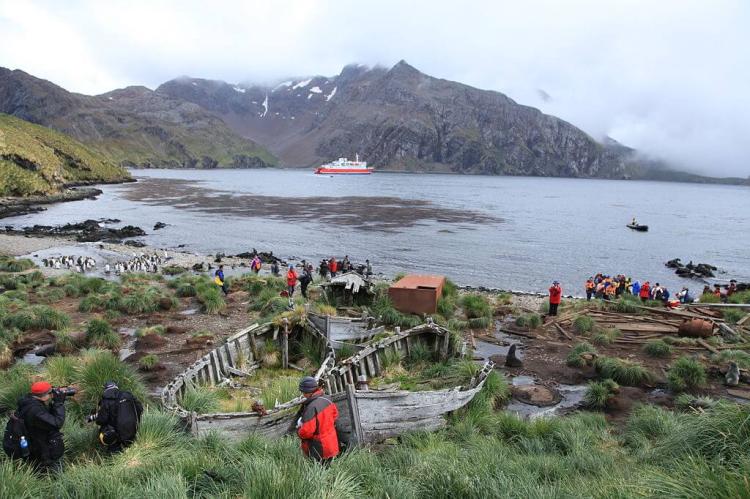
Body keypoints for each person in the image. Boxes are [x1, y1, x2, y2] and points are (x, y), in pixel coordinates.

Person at [17, 381, 66, 473]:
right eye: (51, 393)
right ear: (44, 396)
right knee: (51, 472)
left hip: (36, 444)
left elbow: (47, 417)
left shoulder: (29, 401)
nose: (53, 394)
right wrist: (59, 404)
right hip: (43, 452)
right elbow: (57, 423)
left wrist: (53, 404)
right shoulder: (35, 411)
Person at [90, 381, 143, 454]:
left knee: (105, 428)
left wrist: (95, 418)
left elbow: (102, 420)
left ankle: (112, 454)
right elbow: (140, 409)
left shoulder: (106, 400)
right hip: (133, 430)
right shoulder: (128, 395)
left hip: (116, 435)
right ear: (116, 387)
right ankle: (130, 450)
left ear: (106, 389)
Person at [296, 376, 339, 464]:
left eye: (303, 392)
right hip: (331, 445)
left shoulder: (311, 407)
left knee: (319, 473)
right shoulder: (327, 399)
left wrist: (298, 431)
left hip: (319, 449)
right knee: (329, 471)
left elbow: (306, 432)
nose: (303, 394)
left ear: (308, 391)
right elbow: (335, 415)